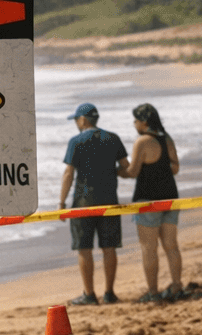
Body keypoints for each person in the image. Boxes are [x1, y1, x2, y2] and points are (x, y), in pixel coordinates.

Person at [57, 102, 129, 306]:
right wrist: (110, 171)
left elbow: (69, 174)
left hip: (83, 202)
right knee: (109, 247)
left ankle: (89, 294)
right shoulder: (112, 138)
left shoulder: (76, 141)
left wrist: (61, 202)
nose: (76, 123)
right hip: (109, 201)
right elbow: (126, 167)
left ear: (82, 120)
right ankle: (109, 293)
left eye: (76, 120)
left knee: (84, 248)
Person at [121, 102, 184, 302]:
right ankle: (176, 286)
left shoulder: (142, 142)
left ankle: (153, 292)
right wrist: (161, 169)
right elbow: (175, 168)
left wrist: (117, 171)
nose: (134, 124)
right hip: (170, 197)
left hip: (147, 199)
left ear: (144, 122)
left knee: (149, 248)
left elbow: (133, 172)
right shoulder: (167, 139)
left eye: (136, 120)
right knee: (171, 246)